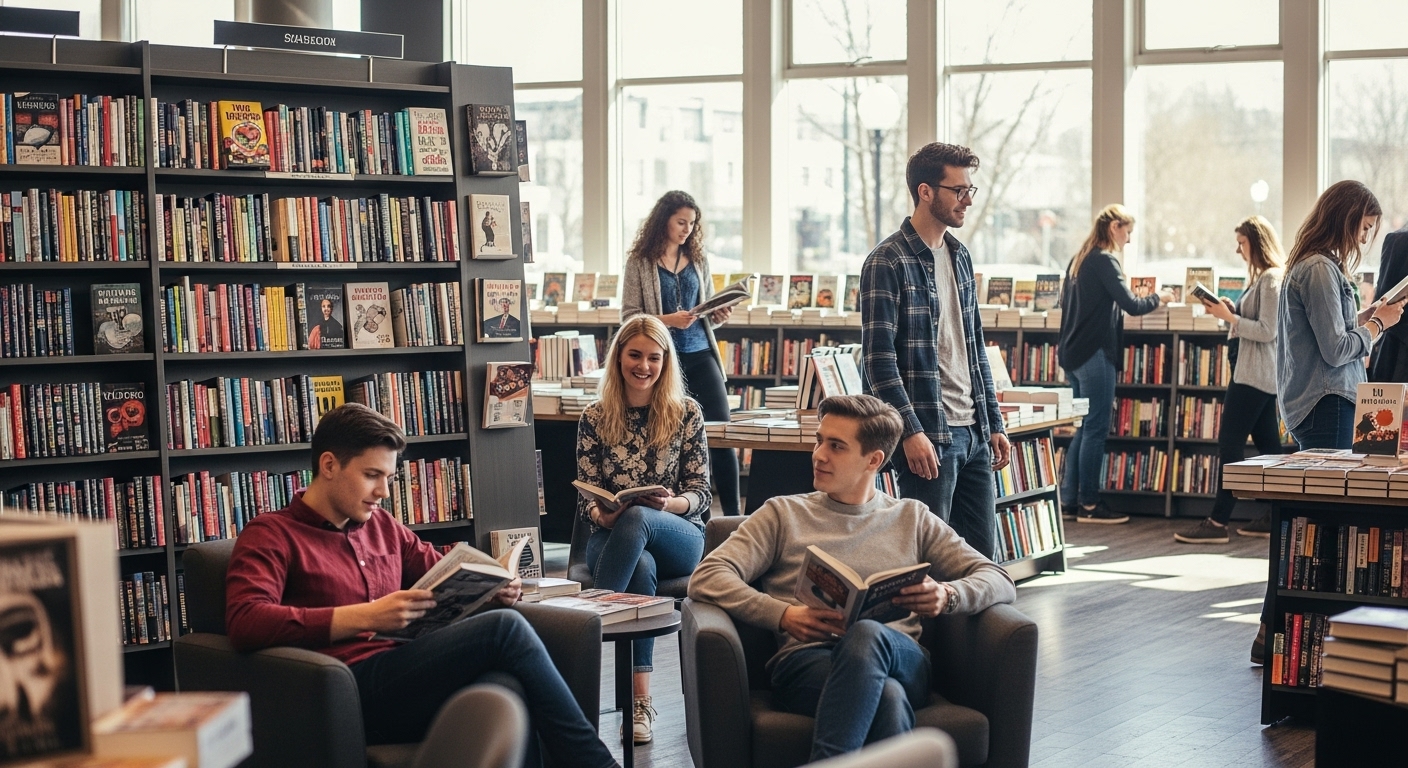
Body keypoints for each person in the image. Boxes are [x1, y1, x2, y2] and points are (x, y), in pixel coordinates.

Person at [225, 403, 618, 768]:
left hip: (405, 672)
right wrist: (365, 616)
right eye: (371, 475)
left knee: (503, 687)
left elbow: (442, 571)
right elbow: (246, 621)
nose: (382, 491)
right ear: (328, 464)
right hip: (344, 688)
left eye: (389, 478)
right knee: (505, 629)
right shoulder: (271, 534)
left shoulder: (381, 526)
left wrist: (493, 587)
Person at [689, 394, 1015, 761]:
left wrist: (947, 594)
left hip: (903, 660)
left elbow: (999, 578)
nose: (819, 454)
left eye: (837, 446)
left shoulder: (912, 517)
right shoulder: (782, 514)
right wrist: (781, 614)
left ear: (873, 460)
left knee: (868, 633)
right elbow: (707, 576)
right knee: (888, 698)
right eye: (819, 441)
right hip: (806, 664)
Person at [860, 142, 1011, 560]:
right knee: (925, 560)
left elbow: (974, 345)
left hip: (974, 432)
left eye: (970, 190)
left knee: (982, 561)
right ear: (926, 192)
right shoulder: (886, 261)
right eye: (958, 190)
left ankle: (974, 628)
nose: (967, 200)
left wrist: (993, 422)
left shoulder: (960, 256)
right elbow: (878, 361)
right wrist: (910, 431)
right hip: (929, 436)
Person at [576, 315, 710, 744]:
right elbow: (586, 499)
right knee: (640, 566)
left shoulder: (687, 412)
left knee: (639, 521)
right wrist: (605, 515)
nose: (644, 365)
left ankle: (585, 642)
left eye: (654, 357)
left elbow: (701, 493)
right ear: (618, 357)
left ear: (666, 361)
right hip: (612, 535)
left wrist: (667, 504)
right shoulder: (594, 417)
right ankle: (639, 704)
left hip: (679, 534)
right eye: (635, 355)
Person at [621, 190, 740, 516]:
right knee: (681, 441)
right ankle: (694, 517)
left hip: (702, 353)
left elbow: (704, 313)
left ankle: (732, 518)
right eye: (681, 222)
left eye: (692, 223)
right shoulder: (639, 263)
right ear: (664, 221)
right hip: (664, 359)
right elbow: (629, 318)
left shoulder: (699, 260)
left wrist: (718, 316)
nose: (687, 229)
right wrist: (668, 320)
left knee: (722, 434)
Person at [1056, 204, 1173, 524]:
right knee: (1095, 429)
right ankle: (1090, 505)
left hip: (1072, 354)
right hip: (1094, 354)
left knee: (1084, 426)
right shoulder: (1105, 260)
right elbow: (1132, 305)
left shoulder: (1080, 259)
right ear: (1114, 227)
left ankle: (1070, 501)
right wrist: (1160, 297)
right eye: (1128, 232)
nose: (1129, 240)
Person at [1176, 216, 1286, 544]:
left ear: (1257, 242)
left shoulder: (1270, 280)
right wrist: (1230, 313)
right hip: (1257, 373)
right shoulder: (1262, 280)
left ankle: (1218, 521)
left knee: (1230, 443)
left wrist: (1230, 316)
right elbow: (1253, 323)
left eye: (1242, 242)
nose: (1238, 250)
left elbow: (1269, 331)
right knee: (1269, 448)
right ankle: (1275, 512)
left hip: (1254, 375)